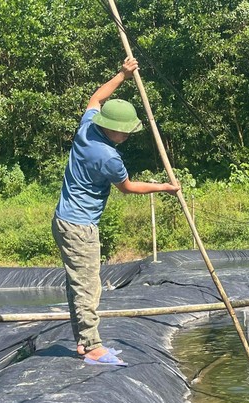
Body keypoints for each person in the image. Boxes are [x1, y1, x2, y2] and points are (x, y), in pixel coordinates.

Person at [52, 57, 180, 366]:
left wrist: (123, 74)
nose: (127, 136)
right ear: (115, 130)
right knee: (87, 286)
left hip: (65, 220)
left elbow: (96, 98)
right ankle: (93, 347)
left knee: (80, 284)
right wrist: (165, 187)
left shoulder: (87, 128)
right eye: (125, 132)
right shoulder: (108, 157)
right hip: (79, 226)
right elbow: (128, 188)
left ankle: (84, 343)